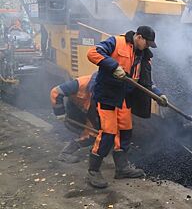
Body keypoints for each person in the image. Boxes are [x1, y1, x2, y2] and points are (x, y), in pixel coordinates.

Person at [86, 26, 168, 188]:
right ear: (138, 37)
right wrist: (113, 66)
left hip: (125, 98)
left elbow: (146, 81)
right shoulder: (116, 42)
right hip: (108, 96)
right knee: (108, 133)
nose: (147, 47)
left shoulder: (145, 56)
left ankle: (122, 168)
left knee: (125, 131)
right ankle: (93, 171)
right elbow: (92, 53)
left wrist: (159, 95)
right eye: (147, 43)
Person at [50, 73, 98, 163]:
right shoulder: (79, 84)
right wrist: (60, 113)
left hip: (90, 111)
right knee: (90, 135)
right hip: (75, 112)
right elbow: (55, 92)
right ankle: (65, 154)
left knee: (98, 134)